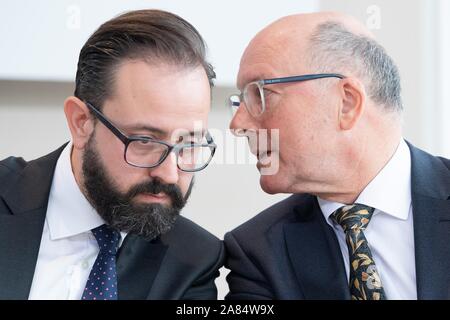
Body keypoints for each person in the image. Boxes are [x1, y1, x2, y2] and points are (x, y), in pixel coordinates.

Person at [0, 9, 224, 300]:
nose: (169, 174)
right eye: (144, 141)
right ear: (81, 122)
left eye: (189, 144)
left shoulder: (193, 260)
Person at [225, 12, 450, 300]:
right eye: (241, 101)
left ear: (346, 102)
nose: (237, 124)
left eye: (261, 95)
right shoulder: (258, 251)